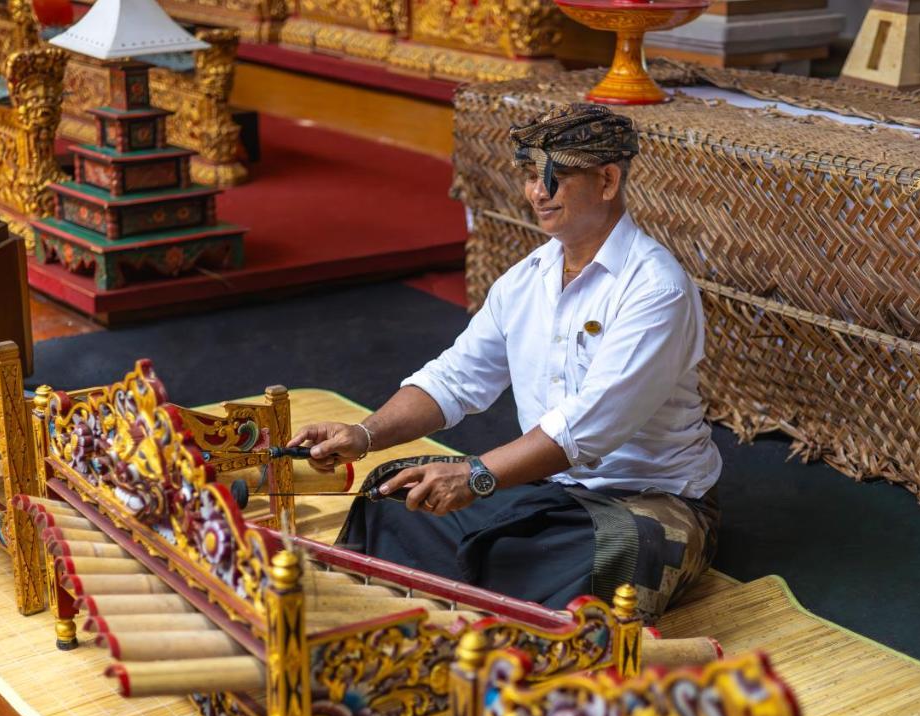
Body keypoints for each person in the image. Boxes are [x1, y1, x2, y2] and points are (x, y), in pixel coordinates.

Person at [288, 103, 722, 623]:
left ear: (607, 181)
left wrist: (474, 476)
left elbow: (590, 427)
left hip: (647, 502)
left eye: (554, 177)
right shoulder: (526, 279)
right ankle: (485, 607)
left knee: (610, 557)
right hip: (550, 489)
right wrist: (364, 434)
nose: (538, 193)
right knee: (394, 491)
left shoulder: (656, 289)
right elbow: (454, 379)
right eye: (530, 178)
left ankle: (475, 611)